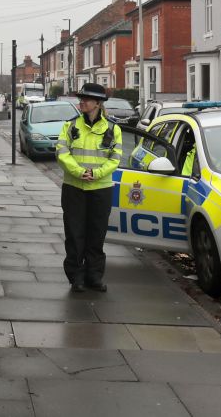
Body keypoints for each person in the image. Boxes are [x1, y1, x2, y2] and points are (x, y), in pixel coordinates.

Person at [55, 83, 123, 292]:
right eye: (81, 98)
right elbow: (61, 153)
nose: (81, 101)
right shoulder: (70, 126)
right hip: (74, 187)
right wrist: (78, 172)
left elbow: (115, 159)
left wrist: (96, 173)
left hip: (100, 188)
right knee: (75, 234)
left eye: (86, 99)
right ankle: (76, 277)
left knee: (96, 234)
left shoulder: (113, 128)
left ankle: (94, 276)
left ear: (98, 103)